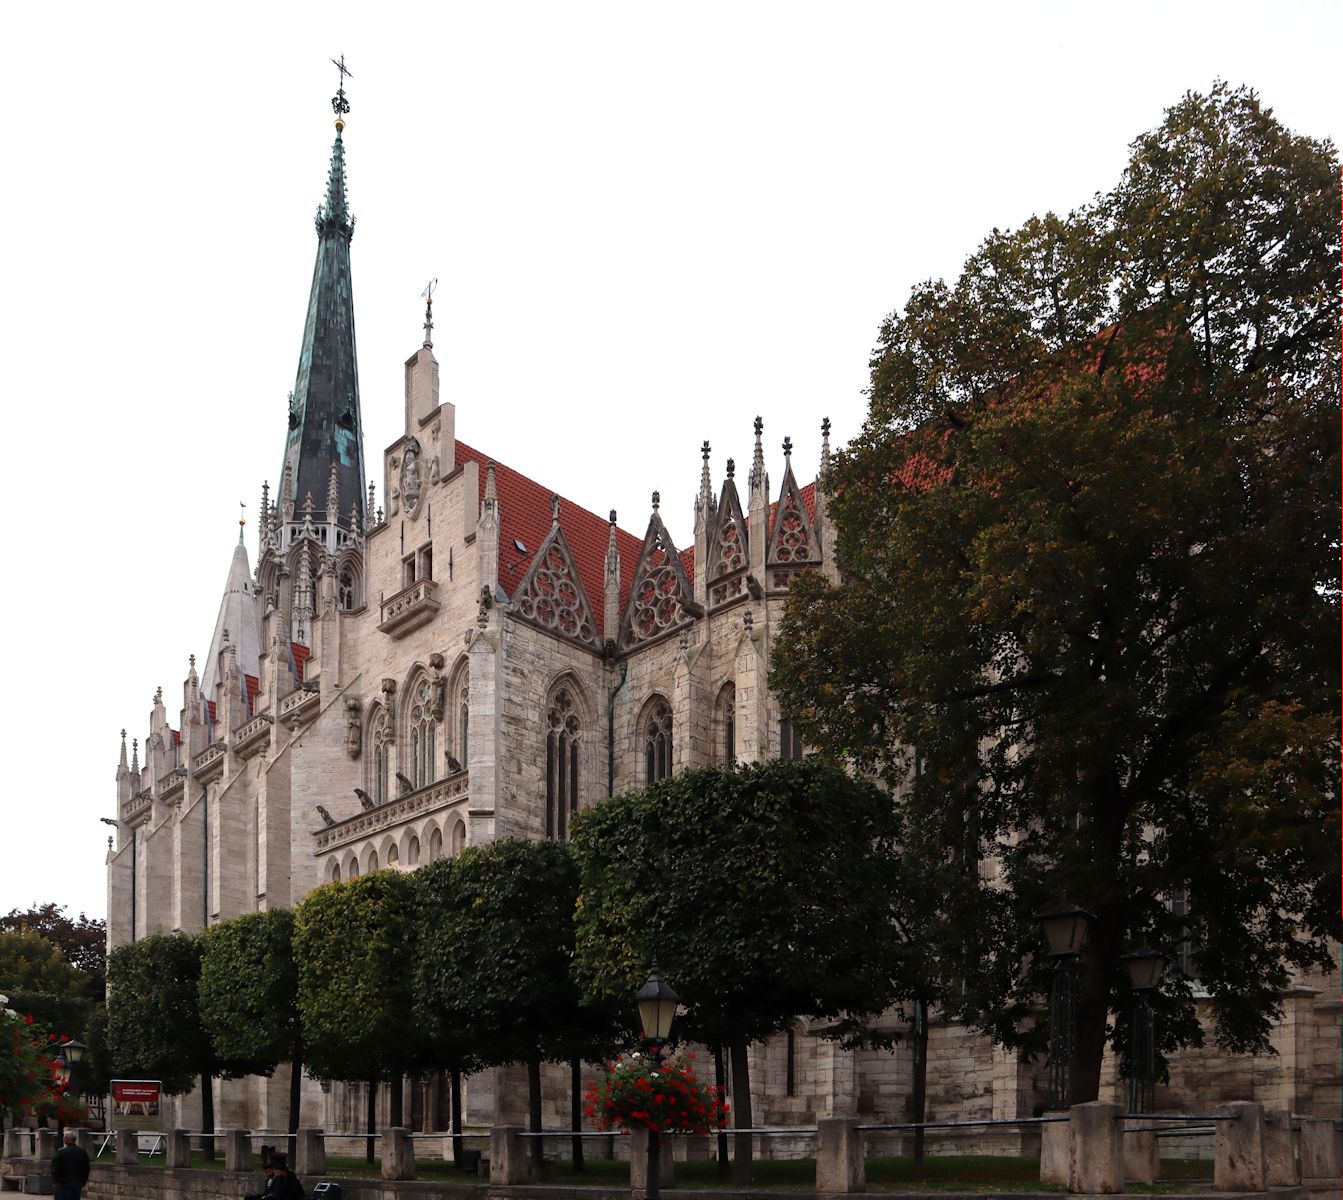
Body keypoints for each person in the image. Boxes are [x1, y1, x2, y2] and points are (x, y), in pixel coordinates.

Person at [51, 1130, 91, 1200]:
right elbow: (86, 1167)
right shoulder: (82, 1151)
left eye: (64, 1137)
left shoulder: (61, 1152)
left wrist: (55, 1181)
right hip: (78, 1181)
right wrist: (83, 1180)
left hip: (64, 1182)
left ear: (67, 1139)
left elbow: (55, 1167)